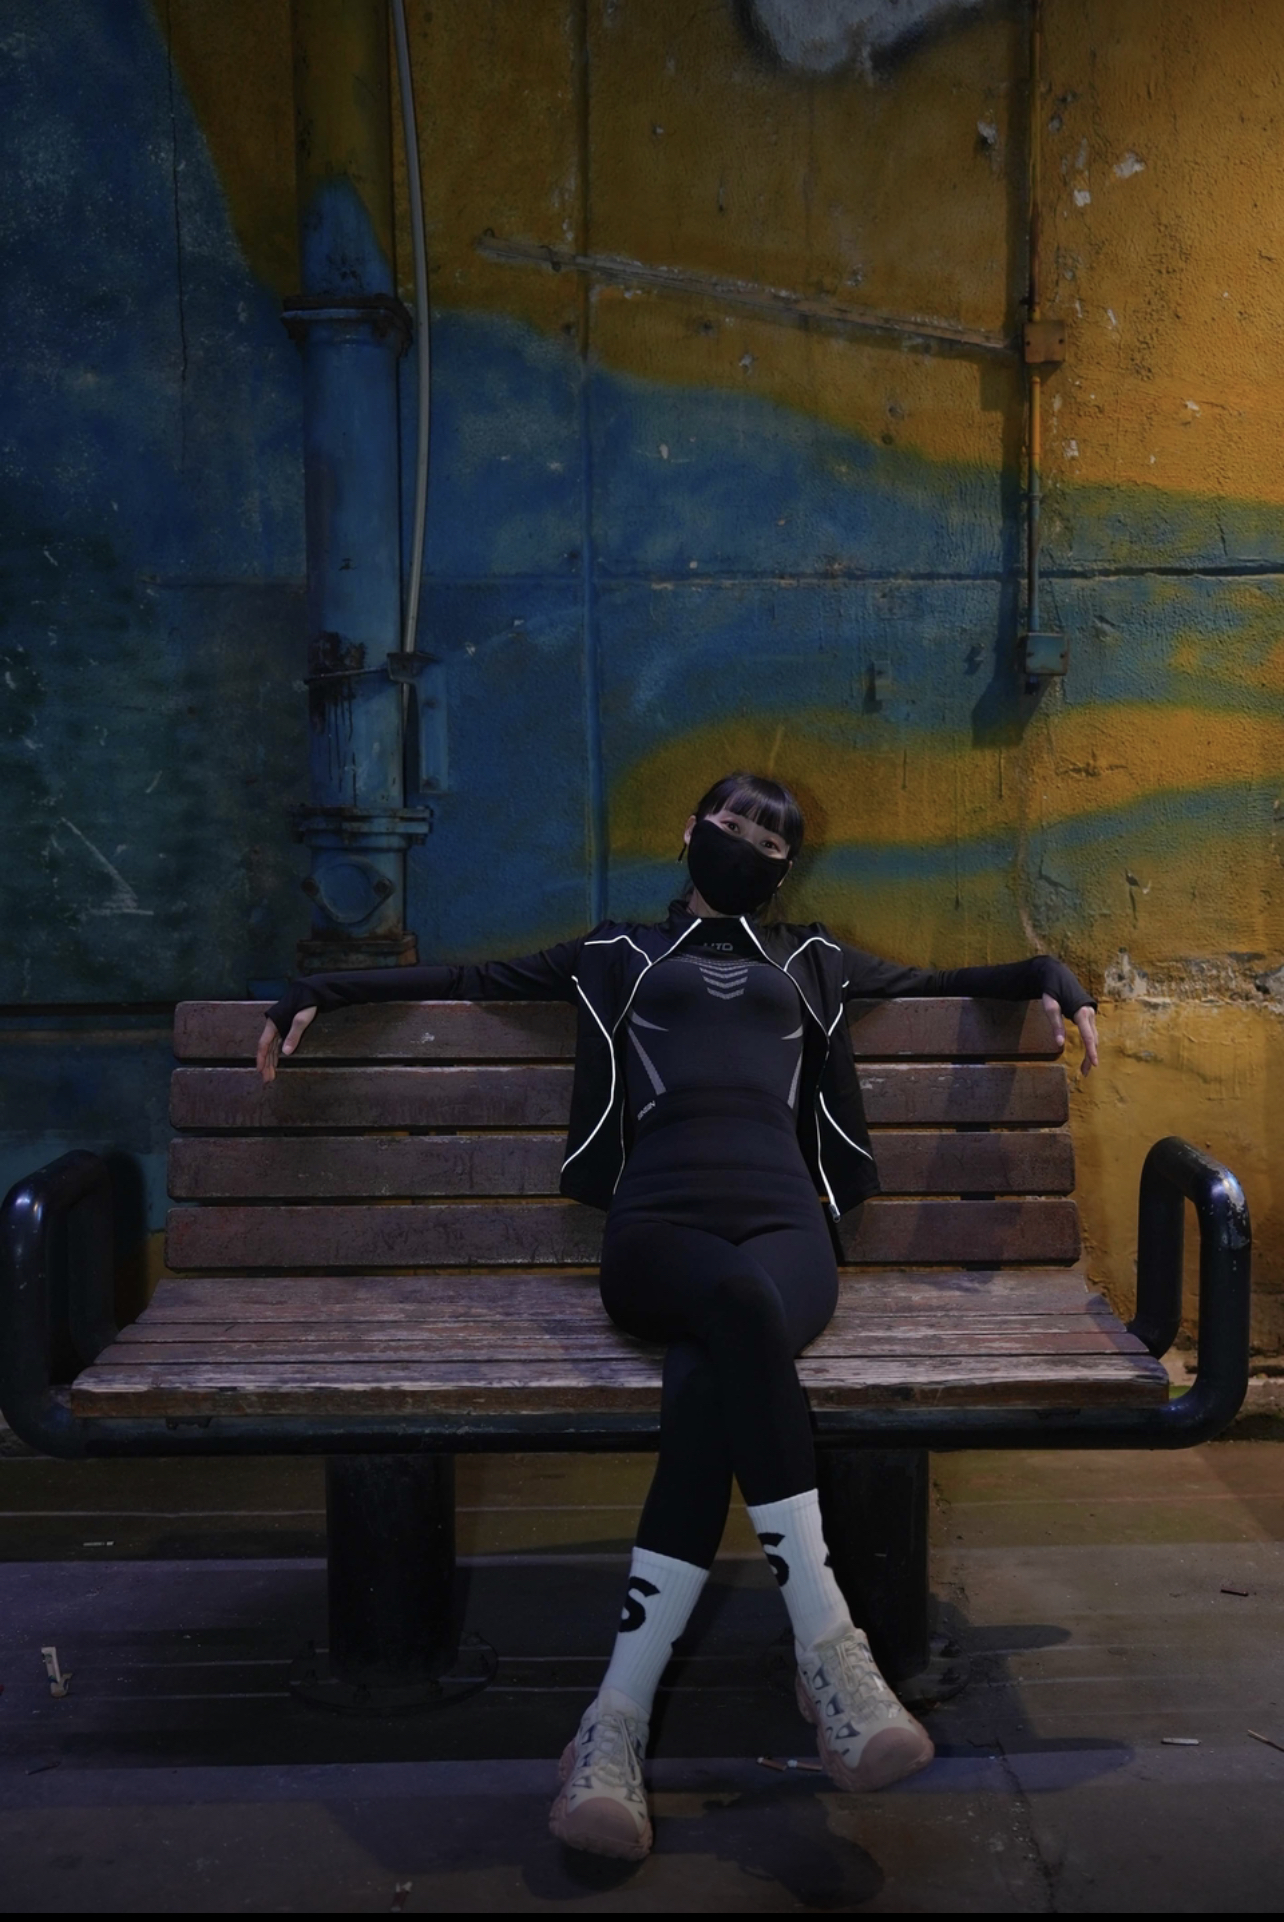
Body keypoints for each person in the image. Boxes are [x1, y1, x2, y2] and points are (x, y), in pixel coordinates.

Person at [260, 772, 1099, 1863]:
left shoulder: (813, 959)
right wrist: (316, 990)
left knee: (711, 1376)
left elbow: (957, 981)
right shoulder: (616, 951)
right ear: (691, 832)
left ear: (785, 868)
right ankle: (829, 1648)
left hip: (788, 1232)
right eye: (733, 822)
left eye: (771, 838)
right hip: (657, 1232)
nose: (747, 842)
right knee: (733, 1312)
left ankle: (612, 1724)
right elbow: (466, 977)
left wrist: (1050, 974)